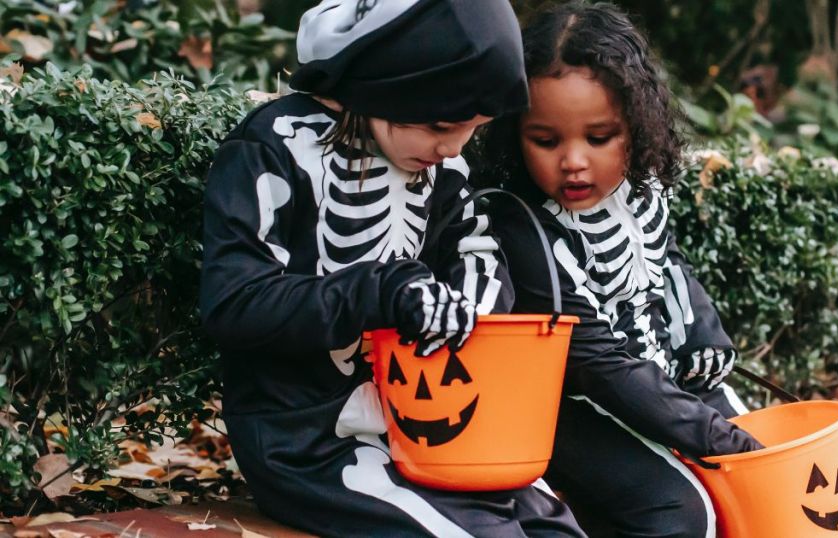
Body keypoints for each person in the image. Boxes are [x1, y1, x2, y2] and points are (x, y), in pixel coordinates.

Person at [200, 1, 583, 536]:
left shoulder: (442, 166)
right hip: (305, 440)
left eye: (472, 129)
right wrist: (380, 292)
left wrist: (462, 309)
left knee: (553, 527)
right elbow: (234, 302)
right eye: (440, 124)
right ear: (384, 86)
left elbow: (479, 255)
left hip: (424, 419)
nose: (452, 146)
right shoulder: (274, 144)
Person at [481, 3, 763, 537]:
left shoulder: (640, 187)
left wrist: (702, 330)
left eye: (599, 136)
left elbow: (666, 260)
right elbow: (593, 359)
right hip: (572, 405)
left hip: (660, 379)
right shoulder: (520, 220)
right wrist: (712, 433)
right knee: (681, 511)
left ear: (637, 122)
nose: (573, 161)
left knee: (770, 476)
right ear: (514, 133)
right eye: (545, 140)